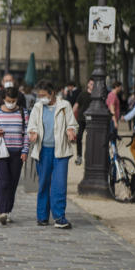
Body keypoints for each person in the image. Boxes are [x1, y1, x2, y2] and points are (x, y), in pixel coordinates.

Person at [27, 80, 78, 229]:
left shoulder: (65, 106)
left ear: (52, 93)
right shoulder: (37, 107)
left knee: (59, 184)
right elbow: (31, 125)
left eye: (43, 95)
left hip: (60, 151)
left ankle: (59, 217)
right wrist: (33, 133)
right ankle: (42, 216)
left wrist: (71, 130)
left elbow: (73, 124)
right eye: (39, 95)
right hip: (43, 151)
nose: (41, 98)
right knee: (44, 183)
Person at [0, 86, 29, 225]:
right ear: (3, 99)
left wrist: (25, 151)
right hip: (0, 152)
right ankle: (2, 212)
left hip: (17, 153)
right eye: (9, 100)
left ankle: (8, 210)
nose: (11, 103)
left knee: (13, 184)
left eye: (14, 100)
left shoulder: (23, 112)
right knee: (4, 182)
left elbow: (27, 132)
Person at [72, 79, 94, 165]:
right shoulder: (82, 94)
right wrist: (71, 116)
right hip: (81, 119)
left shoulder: (96, 96)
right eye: (91, 84)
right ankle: (79, 156)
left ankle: (89, 156)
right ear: (88, 85)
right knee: (79, 137)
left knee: (91, 139)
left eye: (94, 84)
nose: (93, 85)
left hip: (91, 120)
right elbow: (76, 105)